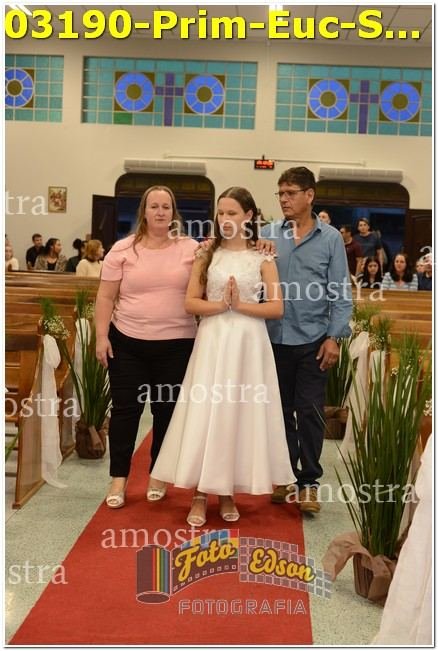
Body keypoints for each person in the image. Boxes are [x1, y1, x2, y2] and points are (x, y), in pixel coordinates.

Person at [150, 187, 295, 526]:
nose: (225, 219)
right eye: (221, 213)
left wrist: (241, 305)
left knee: (237, 416)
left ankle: (228, 492)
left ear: (249, 215)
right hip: (213, 340)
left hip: (248, 343)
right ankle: (200, 494)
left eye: (232, 213)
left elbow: (277, 308)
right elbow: (190, 302)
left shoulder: (263, 256)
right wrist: (221, 305)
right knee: (206, 413)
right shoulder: (206, 253)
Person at [95, 186, 199, 509]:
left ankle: (158, 473)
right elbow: (105, 297)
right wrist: (101, 336)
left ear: (173, 212)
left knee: (165, 412)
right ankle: (118, 478)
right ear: (144, 211)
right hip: (127, 343)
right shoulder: (123, 249)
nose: (160, 212)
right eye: (154, 206)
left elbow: (216, 270)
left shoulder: (190, 249)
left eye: (166, 206)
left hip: (177, 345)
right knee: (125, 412)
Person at [261, 167, 352, 514]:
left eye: (291, 193)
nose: (284, 199)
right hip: (273, 340)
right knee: (279, 412)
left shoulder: (330, 239)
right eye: (280, 193)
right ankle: (285, 476)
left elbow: (340, 293)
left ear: (309, 195)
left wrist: (334, 337)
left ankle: (310, 482)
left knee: (310, 412)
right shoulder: (269, 234)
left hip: (313, 341)